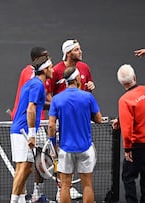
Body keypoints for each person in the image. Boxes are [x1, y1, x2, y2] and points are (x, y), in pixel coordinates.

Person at [45, 39, 95, 201]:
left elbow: (87, 91)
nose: (81, 51)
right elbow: (48, 94)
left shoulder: (85, 67)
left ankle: (64, 187)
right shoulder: (57, 70)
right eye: (77, 49)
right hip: (62, 120)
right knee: (61, 156)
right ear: (68, 53)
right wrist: (60, 108)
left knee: (66, 156)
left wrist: (91, 87)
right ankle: (62, 187)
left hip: (79, 119)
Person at [48, 66, 102, 203]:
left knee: (65, 185)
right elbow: (99, 119)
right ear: (77, 79)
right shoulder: (88, 97)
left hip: (66, 149)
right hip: (85, 147)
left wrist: (53, 145)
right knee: (87, 185)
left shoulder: (57, 99)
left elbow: (51, 126)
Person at [8, 47, 51, 202]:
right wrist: (32, 134)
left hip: (19, 128)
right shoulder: (37, 85)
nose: (52, 69)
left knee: (23, 168)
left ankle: (19, 199)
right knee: (24, 168)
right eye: (50, 67)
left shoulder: (34, 83)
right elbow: (31, 109)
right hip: (24, 130)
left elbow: (37, 105)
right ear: (44, 69)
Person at [112, 64, 145, 203]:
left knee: (128, 176)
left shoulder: (124, 100)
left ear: (121, 83)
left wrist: (128, 149)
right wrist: (121, 118)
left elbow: (127, 129)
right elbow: (141, 111)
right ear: (134, 77)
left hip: (138, 145)